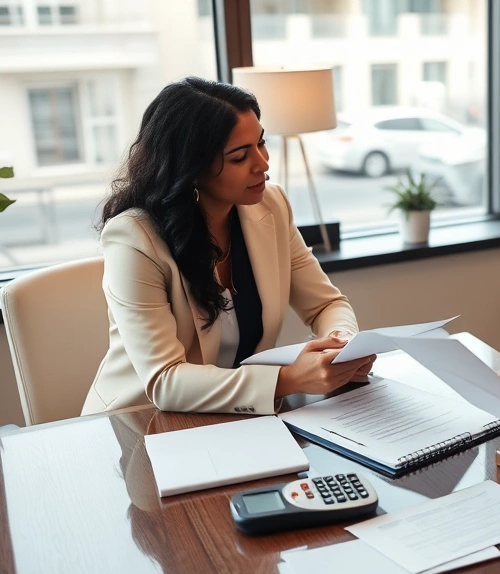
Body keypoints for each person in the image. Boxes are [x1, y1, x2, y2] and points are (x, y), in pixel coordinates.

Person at [82, 77, 374, 415]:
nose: (263, 164)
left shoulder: (272, 206)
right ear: (191, 170)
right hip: (142, 421)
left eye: (261, 144)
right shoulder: (133, 239)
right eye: (239, 157)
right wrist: (289, 379)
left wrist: (341, 345)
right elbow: (165, 380)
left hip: (238, 417)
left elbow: (325, 305)